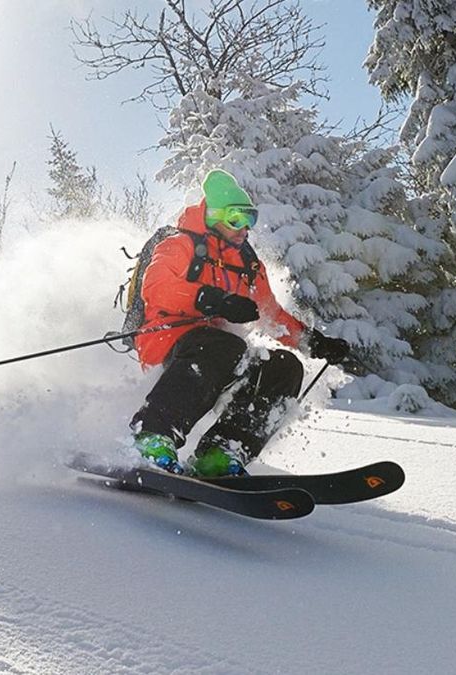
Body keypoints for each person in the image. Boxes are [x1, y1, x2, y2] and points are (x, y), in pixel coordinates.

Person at [129, 169, 350, 477]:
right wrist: (212, 299)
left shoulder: (247, 263)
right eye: (236, 219)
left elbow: (270, 314)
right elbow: (157, 288)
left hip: (220, 350)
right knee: (225, 345)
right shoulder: (179, 245)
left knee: (284, 367)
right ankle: (153, 434)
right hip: (165, 338)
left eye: (250, 219)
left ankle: (223, 451)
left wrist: (312, 343)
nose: (244, 228)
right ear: (214, 217)